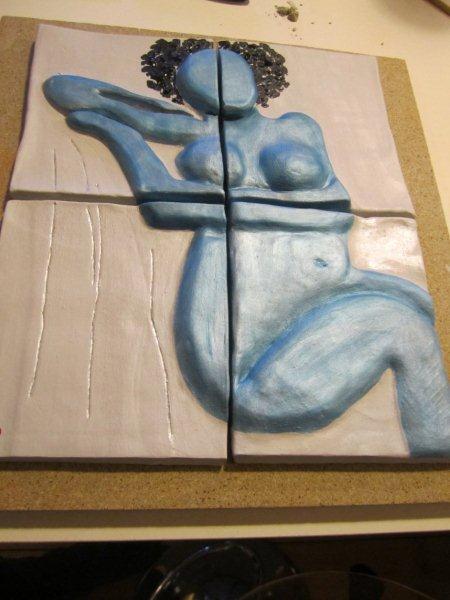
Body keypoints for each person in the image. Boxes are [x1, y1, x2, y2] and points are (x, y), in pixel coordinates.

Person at [44, 48, 450, 456]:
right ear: (187, 91)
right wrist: (129, 128)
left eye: (231, 67)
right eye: (200, 75)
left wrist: (221, 206)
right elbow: (69, 95)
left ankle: (436, 457)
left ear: (258, 77)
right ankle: (437, 459)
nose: (220, 79)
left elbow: (335, 207)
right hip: (247, 366)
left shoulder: (299, 127)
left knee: (415, 315)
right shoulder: (187, 130)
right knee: (403, 325)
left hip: (325, 300)